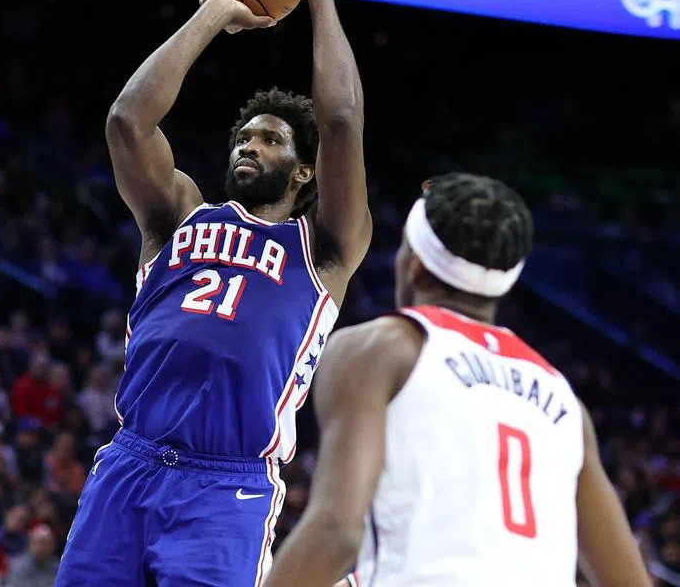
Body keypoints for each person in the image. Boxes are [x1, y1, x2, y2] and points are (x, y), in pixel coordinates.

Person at [58, 0, 371, 586]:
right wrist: (212, 13)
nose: (248, 146)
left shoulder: (325, 246)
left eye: (270, 139)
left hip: (226, 487)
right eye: (243, 136)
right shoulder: (178, 214)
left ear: (304, 171)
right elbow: (127, 122)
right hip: (129, 461)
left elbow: (341, 120)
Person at [265, 173, 653, 587]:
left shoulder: (380, 348)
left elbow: (336, 532)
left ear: (414, 267)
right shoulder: (564, 399)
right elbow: (628, 581)